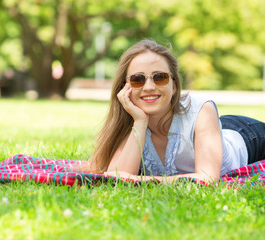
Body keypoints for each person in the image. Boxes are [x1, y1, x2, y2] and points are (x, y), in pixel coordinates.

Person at [88, 39, 265, 183]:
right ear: (124, 88)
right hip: (212, 131)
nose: (149, 87)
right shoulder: (131, 119)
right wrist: (140, 122)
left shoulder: (203, 109)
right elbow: (117, 178)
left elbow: (207, 178)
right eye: (137, 79)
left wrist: (140, 180)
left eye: (160, 77)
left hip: (247, 136)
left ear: (174, 85)